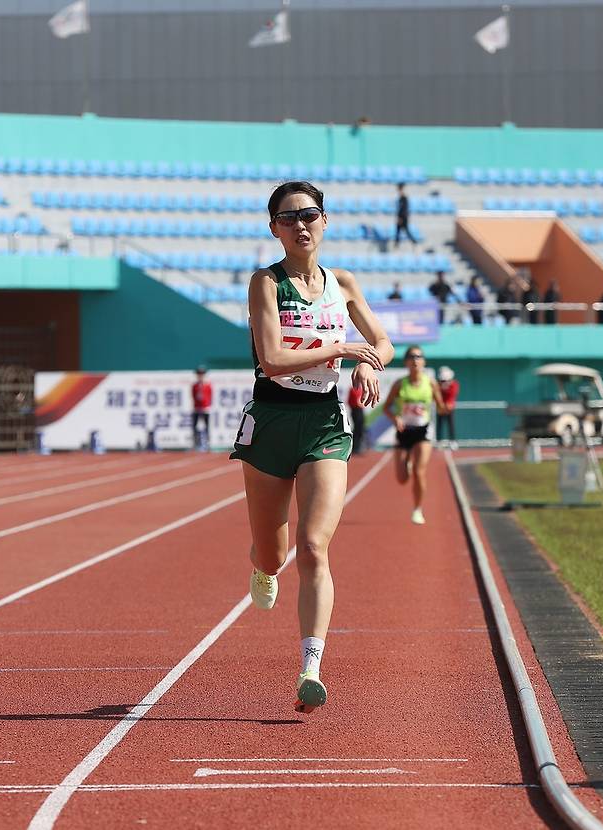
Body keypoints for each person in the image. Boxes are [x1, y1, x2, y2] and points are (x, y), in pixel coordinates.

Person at [230, 181, 393, 714]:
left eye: (310, 214)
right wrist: (343, 347)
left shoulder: (342, 282)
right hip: (272, 421)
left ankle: (310, 666)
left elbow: (383, 341)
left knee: (315, 545)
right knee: (274, 552)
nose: (301, 224)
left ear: (325, 222)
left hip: (323, 422)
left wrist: (370, 361)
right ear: (273, 228)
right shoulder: (265, 283)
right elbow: (272, 358)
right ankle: (260, 568)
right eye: (288, 216)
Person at [382, 345, 445, 526]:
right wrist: (396, 419)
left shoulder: (430, 383)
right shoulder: (400, 384)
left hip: (422, 432)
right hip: (403, 432)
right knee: (402, 479)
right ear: (406, 362)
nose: (415, 360)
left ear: (423, 361)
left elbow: (440, 406)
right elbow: (386, 408)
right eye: (411, 356)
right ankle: (407, 462)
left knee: (419, 472)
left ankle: (417, 509)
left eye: (419, 356)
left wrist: (445, 405)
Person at [436, 366, 460, 447]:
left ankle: (453, 441)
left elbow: (452, 396)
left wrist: (448, 405)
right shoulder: (437, 385)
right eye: (442, 381)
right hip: (440, 407)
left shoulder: (454, 385)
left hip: (449, 408)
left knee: (451, 424)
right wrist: (440, 405)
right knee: (439, 424)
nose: (444, 383)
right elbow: (436, 395)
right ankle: (439, 441)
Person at [191, 366, 212, 450]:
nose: (200, 375)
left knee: (206, 426)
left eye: (202, 374)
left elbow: (209, 396)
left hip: (205, 408)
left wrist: (207, 406)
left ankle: (207, 443)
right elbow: (193, 396)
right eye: (199, 374)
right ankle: (195, 443)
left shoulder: (207, 385)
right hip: (197, 408)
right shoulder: (195, 386)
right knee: (195, 426)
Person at [395, 183, 416, 248]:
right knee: (399, 230)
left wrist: (400, 218)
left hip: (403, 217)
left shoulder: (404, 198)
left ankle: (414, 242)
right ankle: (396, 244)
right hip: (402, 217)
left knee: (405, 230)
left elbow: (404, 209)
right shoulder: (401, 198)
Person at [348, 384, 365, 454]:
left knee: (360, 429)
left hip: (360, 410)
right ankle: (355, 447)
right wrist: (357, 404)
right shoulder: (353, 390)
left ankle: (358, 446)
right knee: (357, 429)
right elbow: (351, 401)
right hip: (355, 410)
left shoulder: (361, 389)